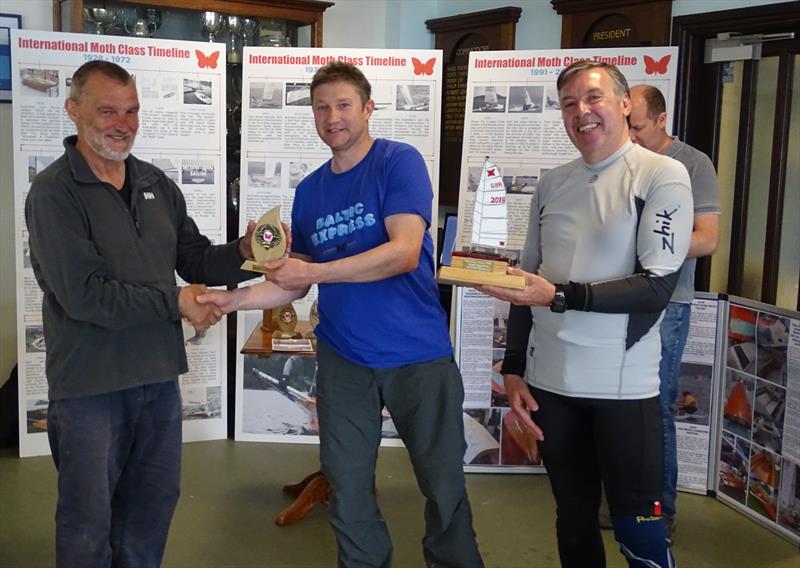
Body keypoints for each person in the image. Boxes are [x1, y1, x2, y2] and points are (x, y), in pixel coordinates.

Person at [199, 61, 483, 568]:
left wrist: (320, 273)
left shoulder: (399, 162)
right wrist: (232, 299)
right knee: (347, 485)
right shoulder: (310, 190)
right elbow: (297, 277)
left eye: (344, 104)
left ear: (367, 108)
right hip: (344, 360)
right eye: (322, 107)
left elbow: (402, 251)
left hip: (417, 356)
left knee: (443, 486)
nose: (333, 116)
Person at [25, 61, 255, 567]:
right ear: (73, 110)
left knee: (151, 510)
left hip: (156, 379)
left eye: (131, 111)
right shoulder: (53, 192)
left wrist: (245, 249)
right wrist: (175, 301)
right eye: (107, 110)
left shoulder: (155, 183)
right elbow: (83, 294)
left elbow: (193, 258)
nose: (122, 123)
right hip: (89, 388)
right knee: (88, 523)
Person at [480, 61, 693, 568]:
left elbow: (654, 288)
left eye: (593, 98)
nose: (582, 111)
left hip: (624, 389)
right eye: (569, 102)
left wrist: (558, 295)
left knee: (638, 525)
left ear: (624, 105)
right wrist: (513, 370)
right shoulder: (552, 184)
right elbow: (527, 282)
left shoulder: (663, 175)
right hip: (553, 386)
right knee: (572, 518)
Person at [629, 83, 721, 536]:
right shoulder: (624, 162)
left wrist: (652, 247)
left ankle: (658, 512)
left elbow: (707, 238)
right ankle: (629, 502)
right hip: (618, 300)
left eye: (638, 127)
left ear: (661, 119)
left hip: (668, 304)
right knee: (621, 405)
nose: (631, 136)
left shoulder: (692, 164)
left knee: (656, 407)